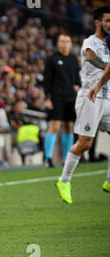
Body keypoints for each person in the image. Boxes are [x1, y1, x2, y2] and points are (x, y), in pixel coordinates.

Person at [56, 6, 110, 203]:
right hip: (90, 98)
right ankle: (64, 180)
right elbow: (91, 58)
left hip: (108, 98)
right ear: (97, 23)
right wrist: (108, 66)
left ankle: (109, 182)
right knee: (85, 143)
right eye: (107, 21)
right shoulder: (90, 42)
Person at [43, 34, 81, 167]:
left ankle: (66, 158)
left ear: (71, 44)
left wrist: (78, 86)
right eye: (61, 41)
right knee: (54, 126)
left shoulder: (73, 59)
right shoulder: (52, 59)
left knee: (69, 127)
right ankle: (47, 158)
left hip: (71, 97)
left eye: (67, 41)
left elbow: (77, 77)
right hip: (56, 97)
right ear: (58, 44)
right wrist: (47, 97)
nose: (64, 44)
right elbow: (46, 79)